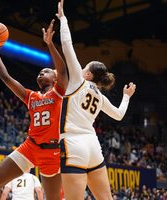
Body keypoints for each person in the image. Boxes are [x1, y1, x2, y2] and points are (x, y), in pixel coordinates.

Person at [56, 1, 136, 199]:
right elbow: (118, 115)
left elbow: (66, 45)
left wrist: (63, 19)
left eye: (85, 67)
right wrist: (126, 97)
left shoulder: (78, 81)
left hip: (73, 143)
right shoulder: (100, 96)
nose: (81, 68)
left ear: (89, 74)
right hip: (93, 145)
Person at [0, 20, 68, 200]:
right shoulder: (31, 96)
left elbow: (63, 72)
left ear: (54, 79)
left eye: (46, 71)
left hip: (52, 153)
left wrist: (50, 44)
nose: (41, 73)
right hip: (30, 147)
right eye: (40, 72)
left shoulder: (59, 93)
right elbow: (6, 78)